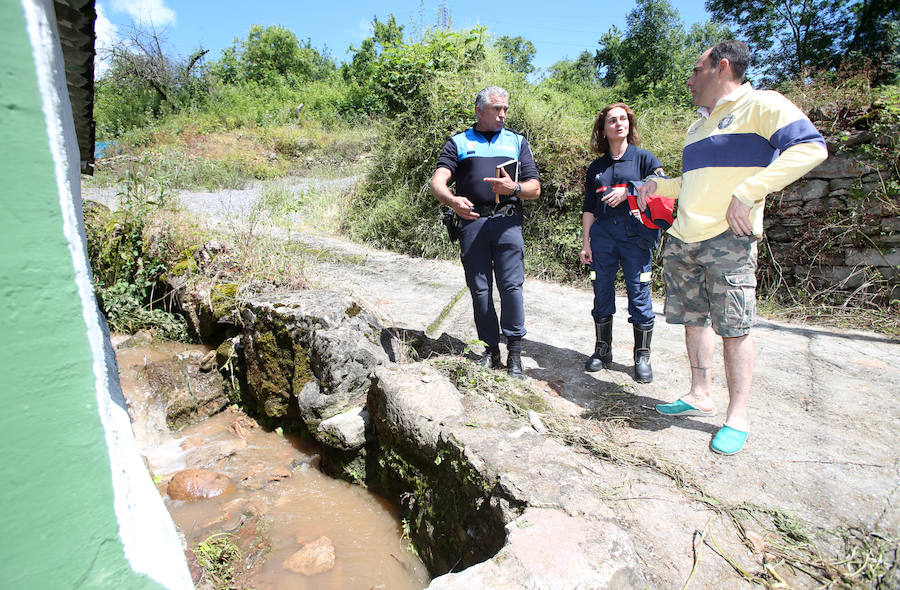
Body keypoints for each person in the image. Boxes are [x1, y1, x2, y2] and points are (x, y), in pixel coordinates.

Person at [637, 40, 827, 455]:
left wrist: (750, 190)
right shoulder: (697, 125)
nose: (689, 81)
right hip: (684, 238)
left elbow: (812, 147)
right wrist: (659, 186)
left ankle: (737, 415)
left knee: (735, 328)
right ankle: (699, 393)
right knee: (693, 320)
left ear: (721, 68)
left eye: (695, 70)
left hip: (729, 238)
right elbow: (696, 181)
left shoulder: (763, 104)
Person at [430, 86, 541, 378]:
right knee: (480, 291)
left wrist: (513, 188)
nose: (502, 114)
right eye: (496, 109)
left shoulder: (517, 142)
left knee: (512, 289)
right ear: (480, 111)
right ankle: (491, 352)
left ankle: (515, 355)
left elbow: (535, 188)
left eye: (505, 109)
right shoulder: (458, 142)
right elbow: (437, 182)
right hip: (473, 223)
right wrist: (453, 202)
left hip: (507, 223)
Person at [580, 103, 668, 383]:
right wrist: (586, 243)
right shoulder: (596, 167)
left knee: (639, 294)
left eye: (623, 119)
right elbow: (588, 208)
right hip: (602, 237)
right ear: (603, 130)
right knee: (601, 292)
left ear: (629, 124)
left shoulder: (644, 158)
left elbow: (662, 186)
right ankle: (602, 351)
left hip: (636, 238)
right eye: (611, 121)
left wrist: (628, 191)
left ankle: (642, 357)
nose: (618, 124)